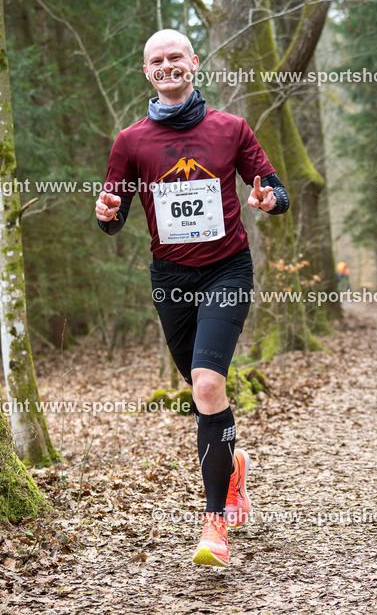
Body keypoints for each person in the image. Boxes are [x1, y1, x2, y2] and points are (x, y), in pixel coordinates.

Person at [95, 29, 290, 567]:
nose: (167, 65)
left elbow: (278, 193)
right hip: (171, 278)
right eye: (156, 60)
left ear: (193, 63)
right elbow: (116, 214)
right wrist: (107, 215)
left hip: (228, 269)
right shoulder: (131, 141)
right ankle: (233, 469)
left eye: (175, 56)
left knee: (207, 385)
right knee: (200, 386)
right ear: (147, 72)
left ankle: (214, 527)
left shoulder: (231, 128)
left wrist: (268, 198)